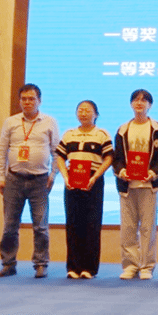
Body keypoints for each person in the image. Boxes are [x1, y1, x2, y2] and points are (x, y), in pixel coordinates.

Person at [0, 83, 60, 278]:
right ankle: (8, 264)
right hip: (13, 179)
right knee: (9, 226)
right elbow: (1, 151)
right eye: (24, 99)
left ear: (39, 100)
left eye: (32, 99)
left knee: (40, 226)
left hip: (40, 180)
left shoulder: (49, 122)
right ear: (19, 101)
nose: (27, 102)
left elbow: (56, 152)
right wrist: (1, 177)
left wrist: (53, 175)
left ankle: (41, 264)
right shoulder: (11, 122)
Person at [55, 100, 113, 279]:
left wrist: (95, 177)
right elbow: (60, 156)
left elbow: (109, 158)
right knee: (73, 223)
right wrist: (65, 177)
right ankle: (73, 267)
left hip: (93, 182)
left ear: (96, 114)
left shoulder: (101, 134)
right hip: (72, 182)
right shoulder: (69, 134)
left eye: (88, 110)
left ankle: (89, 268)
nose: (83, 113)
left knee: (92, 224)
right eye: (80, 110)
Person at [113, 89, 158, 280]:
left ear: (150, 105)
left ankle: (146, 266)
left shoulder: (157, 128)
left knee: (147, 228)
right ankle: (130, 265)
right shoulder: (123, 129)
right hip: (127, 185)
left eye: (144, 100)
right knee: (128, 228)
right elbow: (117, 157)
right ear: (131, 104)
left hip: (148, 185)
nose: (139, 103)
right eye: (135, 99)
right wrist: (122, 172)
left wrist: (153, 172)